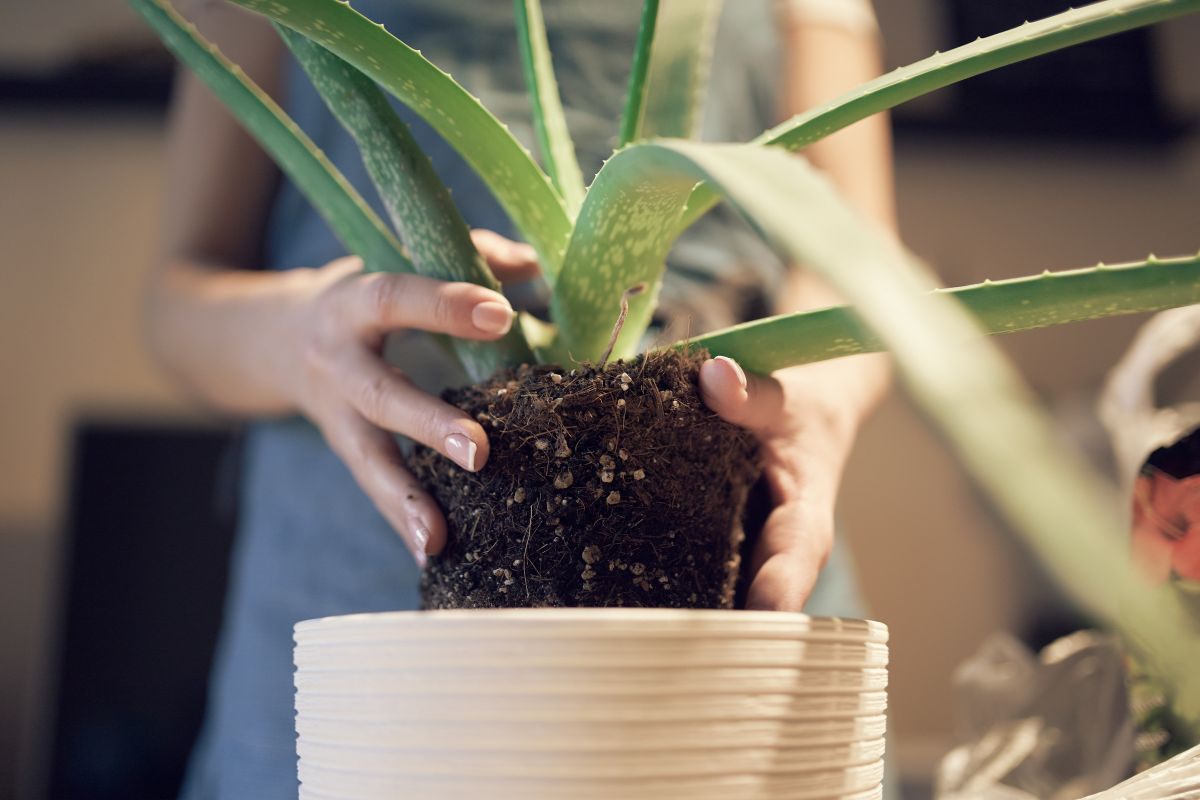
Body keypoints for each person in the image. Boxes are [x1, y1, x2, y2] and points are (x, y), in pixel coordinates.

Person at [151, 0, 895, 796]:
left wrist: (826, 390)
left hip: (726, 552)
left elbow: (860, 257)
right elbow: (174, 296)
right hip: (355, 597)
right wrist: (303, 333)